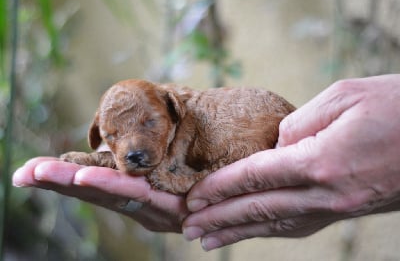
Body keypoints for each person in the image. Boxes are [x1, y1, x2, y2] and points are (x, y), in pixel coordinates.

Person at [12, 74, 400, 251]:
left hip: (251, 133)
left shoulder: (187, 120)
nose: (131, 148)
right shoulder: (158, 119)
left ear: (173, 109)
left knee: (179, 174)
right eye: (113, 136)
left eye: (150, 124)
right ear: (100, 133)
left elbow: (162, 173)